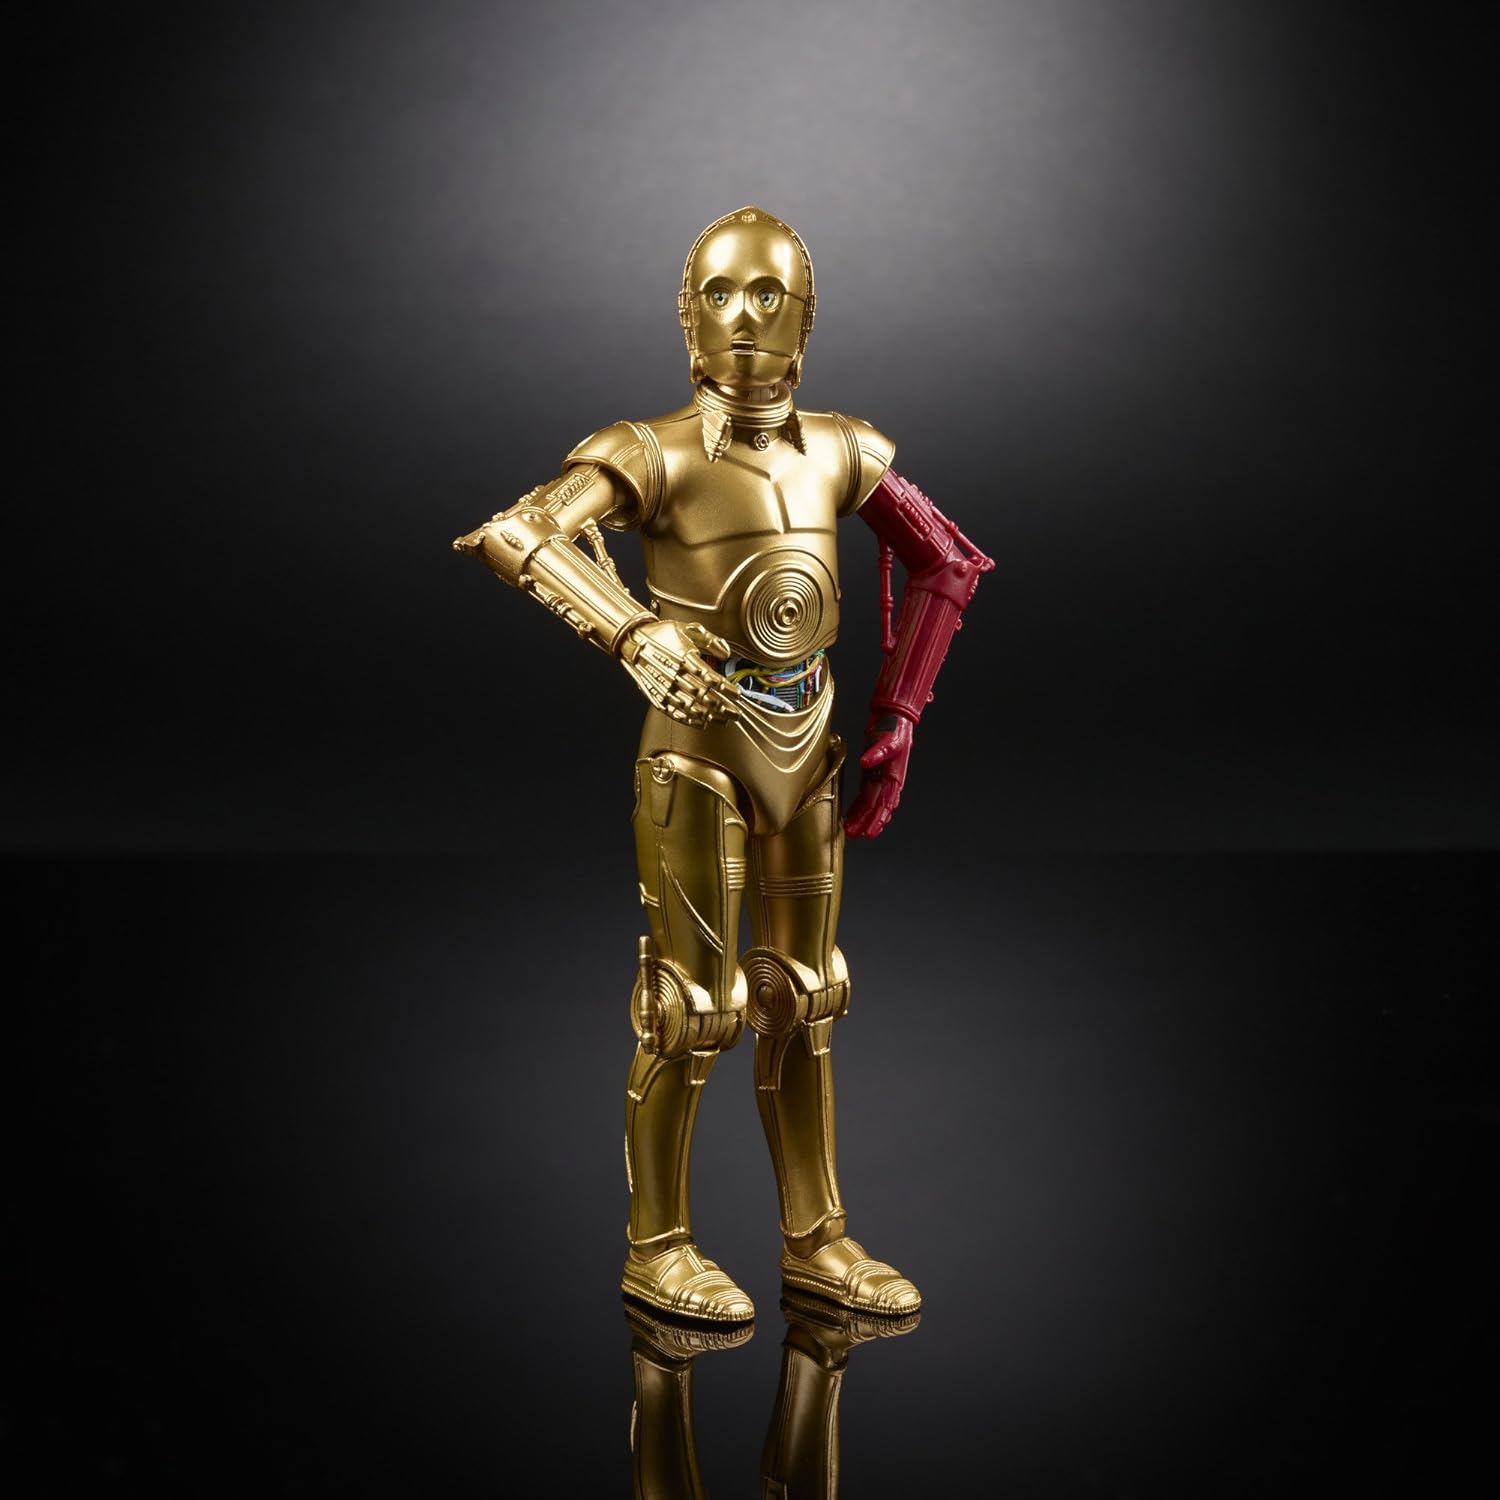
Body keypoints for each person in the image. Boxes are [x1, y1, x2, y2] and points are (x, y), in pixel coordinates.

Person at [455, 207, 990, 1323]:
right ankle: (658, 1247)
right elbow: (521, 531)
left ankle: (817, 1240)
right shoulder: (653, 453)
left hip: (810, 739)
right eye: (718, 293)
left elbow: (946, 559)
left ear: (807, 316)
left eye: (767, 293)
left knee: (808, 993)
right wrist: (634, 635)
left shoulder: (841, 449)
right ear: (685, 315)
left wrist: (899, 709)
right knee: (689, 1005)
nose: (742, 316)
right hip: (698, 754)